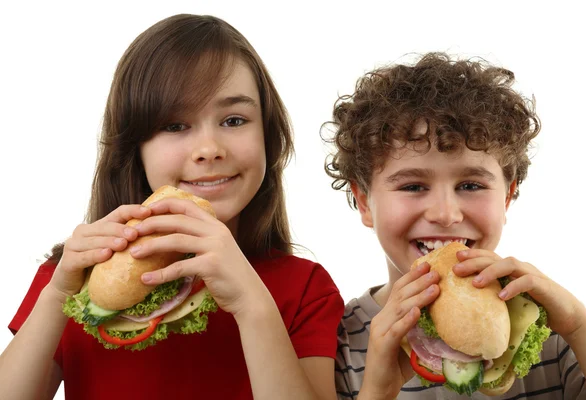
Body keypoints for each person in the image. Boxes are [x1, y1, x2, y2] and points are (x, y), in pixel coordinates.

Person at [0, 14, 344, 400]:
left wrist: (251, 304)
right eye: (175, 126)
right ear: (135, 149)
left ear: (268, 134)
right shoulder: (73, 278)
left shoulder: (306, 289)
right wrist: (57, 296)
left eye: (233, 120)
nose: (209, 150)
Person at [324, 52, 586, 399]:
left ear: (507, 196)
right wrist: (376, 392)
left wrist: (579, 325)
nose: (445, 213)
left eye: (470, 185)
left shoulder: (550, 328)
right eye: (412, 186)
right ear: (364, 201)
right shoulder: (341, 342)